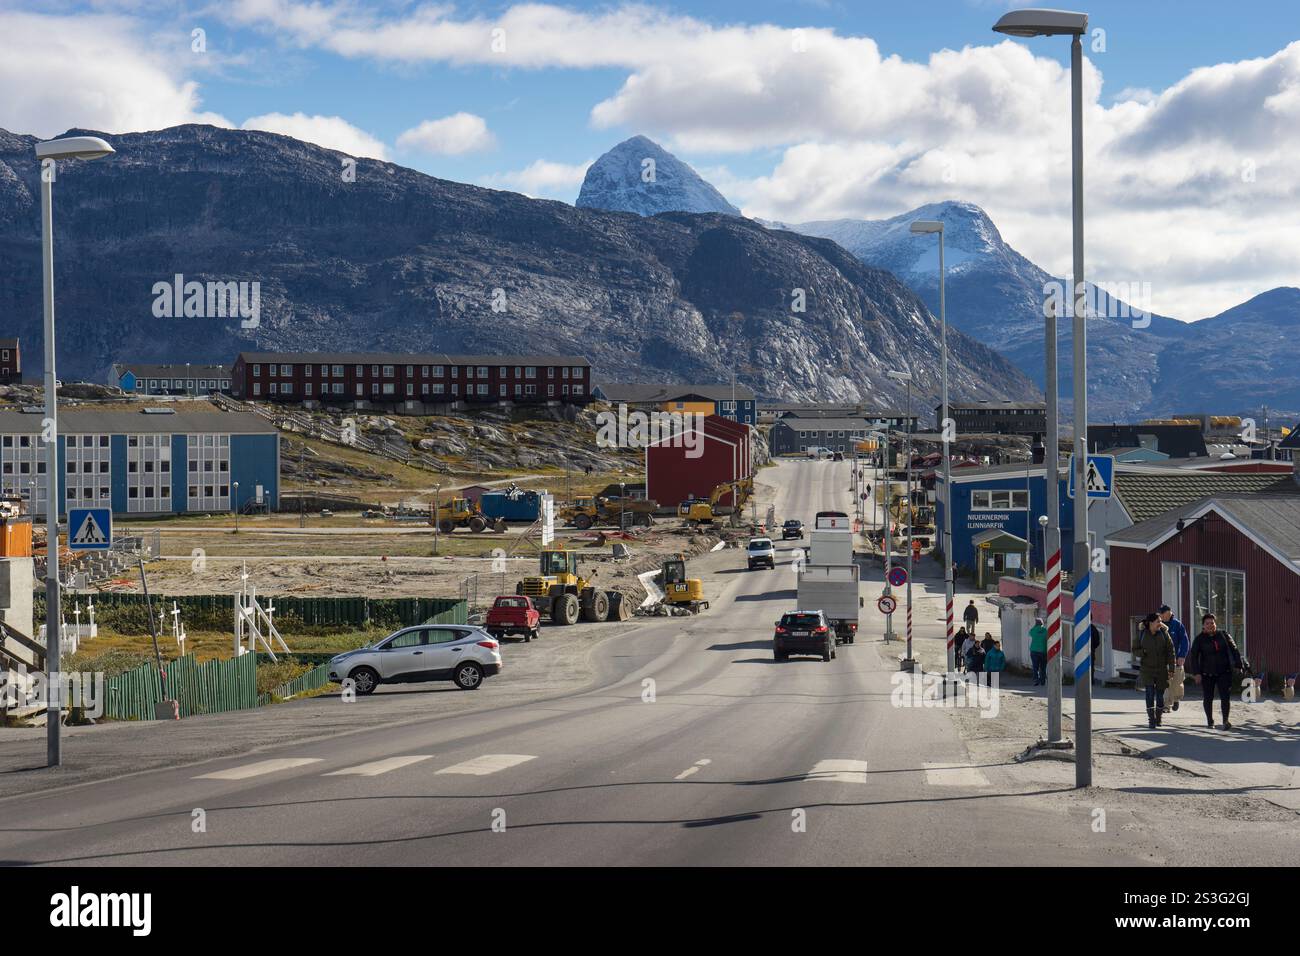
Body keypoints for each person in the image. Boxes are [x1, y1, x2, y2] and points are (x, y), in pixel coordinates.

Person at [1187, 613, 1244, 730]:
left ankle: (1225, 721)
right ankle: (1210, 721)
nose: (1210, 625)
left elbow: (1235, 650)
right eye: (1207, 623)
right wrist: (1197, 673)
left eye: (1212, 623)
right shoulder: (1199, 639)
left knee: (1225, 697)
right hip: (1207, 673)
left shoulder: (1224, 635)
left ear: (1215, 624)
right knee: (1208, 697)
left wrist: (1239, 664)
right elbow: (1193, 657)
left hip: (1224, 671)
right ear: (1203, 625)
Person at [1133, 613, 1176, 728]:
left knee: (1160, 695)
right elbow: (1134, 649)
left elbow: (1171, 652)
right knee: (1150, 693)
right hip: (1147, 669)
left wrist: (1171, 668)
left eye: (1160, 621)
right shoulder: (1142, 634)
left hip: (1161, 669)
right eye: (1158, 621)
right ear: (1151, 623)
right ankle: (1151, 719)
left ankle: (1159, 718)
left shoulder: (1164, 633)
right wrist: (1143, 653)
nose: (1160, 623)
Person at [1159, 604, 1189, 713]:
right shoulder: (1159, 625)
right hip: (1164, 660)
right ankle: (1166, 705)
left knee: (1177, 683)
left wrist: (1182, 656)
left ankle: (1176, 699)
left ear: (1170, 613)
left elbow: (1185, 641)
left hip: (1177, 659)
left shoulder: (1177, 625)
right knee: (1167, 683)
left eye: (1165, 614)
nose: (1163, 617)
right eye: (1162, 615)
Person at [1028, 616, 1048, 686]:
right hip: (1043, 651)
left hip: (1034, 651)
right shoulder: (1045, 630)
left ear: (1036, 623)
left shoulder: (1033, 630)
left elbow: (1029, 633)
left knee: (1035, 666)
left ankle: (1036, 680)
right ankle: (1043, 681)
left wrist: (1035, 626)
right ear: (1042, 623)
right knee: (1043, 667)